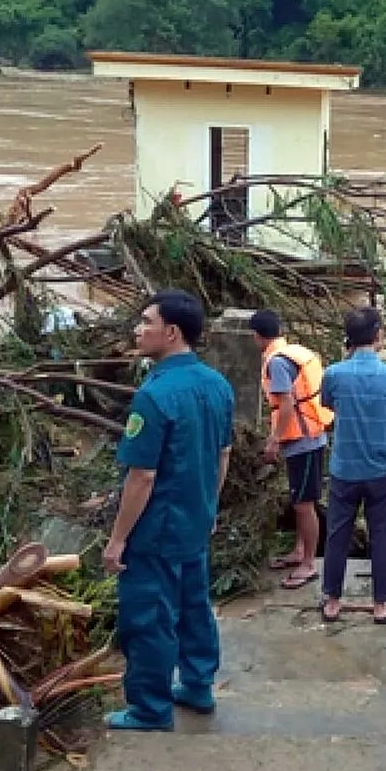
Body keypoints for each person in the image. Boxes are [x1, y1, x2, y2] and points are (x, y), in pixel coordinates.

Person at [102, 289, 235, 731]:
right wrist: (209, 505)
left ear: (172, 331)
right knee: (195, 605)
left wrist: (118, 540)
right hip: (195, 519)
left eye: (146, 322)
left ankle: (149, 709)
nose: (138, 330)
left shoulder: (154, 395)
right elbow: (223, 455)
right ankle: (198, 685)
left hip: (157, 527)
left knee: (149, 616)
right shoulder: (217, 385)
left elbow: (142, 476)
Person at [318, 306, 386, 625]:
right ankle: (381, 604)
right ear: (378, 335)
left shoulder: (334, 374)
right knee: (382, 536)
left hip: (344, 469)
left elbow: (328, 405)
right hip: (382, 470)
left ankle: (332, 600)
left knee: (337, 535)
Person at [248, 309, 334, 590]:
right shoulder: (294, 352)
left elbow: (286, 405)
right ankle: (299, 551)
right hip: (310, 435)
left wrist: (273, 440)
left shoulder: (277, 362)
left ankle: (308, 564)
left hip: (303, 441)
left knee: (304, 504)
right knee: (300, 500)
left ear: (257, 336)